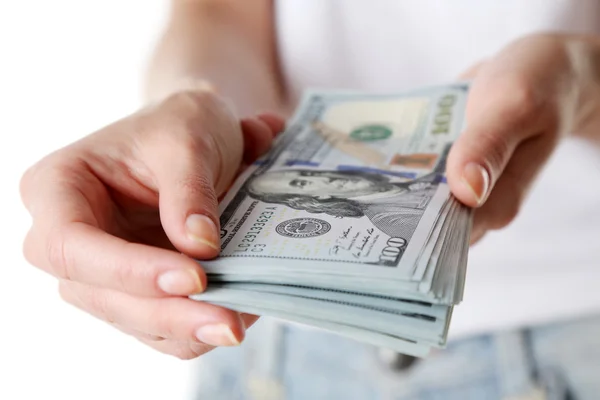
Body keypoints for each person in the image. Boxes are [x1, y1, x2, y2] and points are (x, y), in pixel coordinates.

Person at [18, 0, 600, 399]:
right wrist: (197, 110)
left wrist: (584, 81)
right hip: (268, 345)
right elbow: (219, 12)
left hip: (574, 338)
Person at [246, 168, 440, 240]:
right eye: (303, 183)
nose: (325, 177)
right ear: (316, 198)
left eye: (308, 173)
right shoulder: (393, 220)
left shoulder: (407, 181)